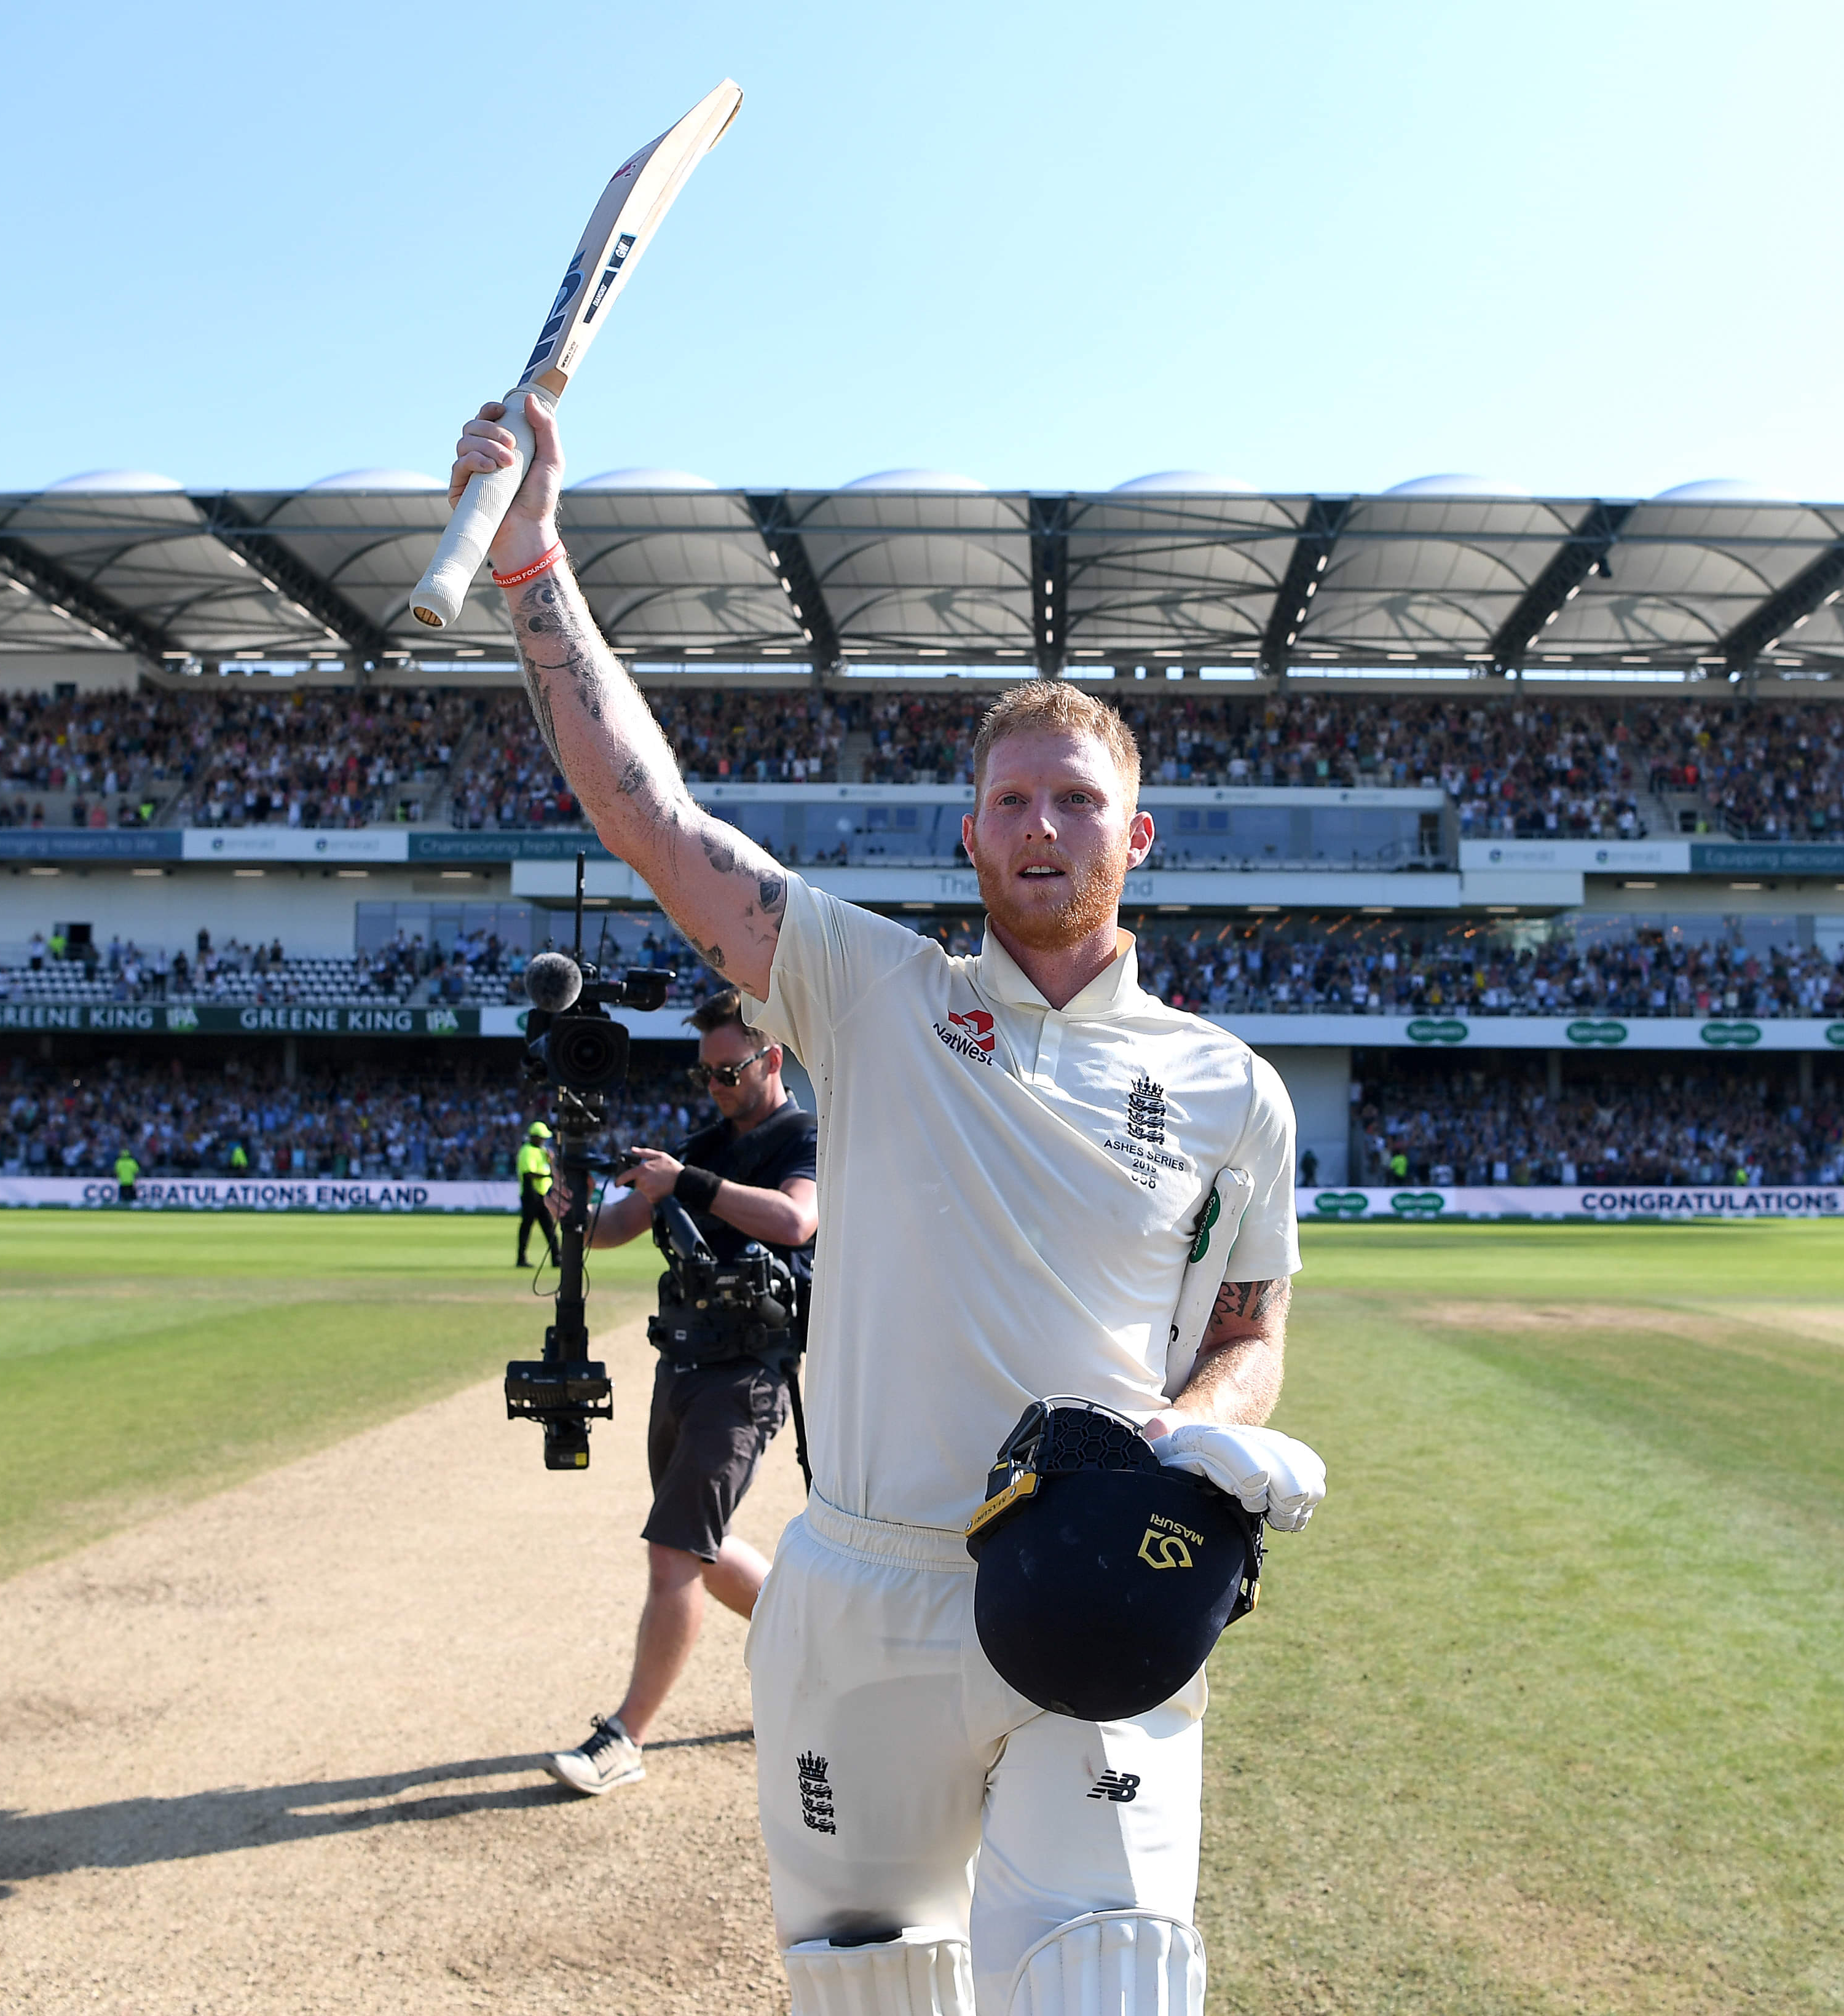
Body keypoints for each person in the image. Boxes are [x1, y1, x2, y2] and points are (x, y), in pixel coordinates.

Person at [456, 392, 1322, 2016]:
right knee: (868, 1990)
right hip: (862, 1595)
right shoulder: (869, 991)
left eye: (1075, 801)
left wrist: (1206, 1420)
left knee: (1111, 1981)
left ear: (1134, 835)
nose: (1042, 828)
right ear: (971, 831)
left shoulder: (1233, 1091)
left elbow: (1251, 1330)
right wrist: (532, 567)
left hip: (1096, 1579)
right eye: (1011, 802)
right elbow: (648, 816)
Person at [542, 988, 818, 1797]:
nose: (715, 1086)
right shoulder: (705, 1139)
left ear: (770, 1060)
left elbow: (795, 1223)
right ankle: (812, 1655)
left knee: (673, 1551)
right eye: (704, 1075)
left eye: (728, 1071)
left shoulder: (803, 1136)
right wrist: (571, 1208)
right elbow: (616, 1227)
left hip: (748, 1368)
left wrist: (686, 1181)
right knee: (694, 1539)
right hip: (685, 1360)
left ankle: (624, 1738)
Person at [514, 1120, 558, 1267]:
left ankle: (557, 1259)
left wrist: (551, 1162)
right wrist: (547, 1176)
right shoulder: (527, 1151)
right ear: (534, 1137)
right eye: (542, 1137)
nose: (544, 1140)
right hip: (531, 1194)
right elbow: (529, 1174)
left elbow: (550, 1171)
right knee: (527, 1227)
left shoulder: (543, 1152)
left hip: (543, 1194)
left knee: (549, 1228)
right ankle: (521, 1259)